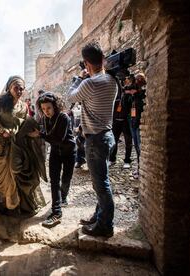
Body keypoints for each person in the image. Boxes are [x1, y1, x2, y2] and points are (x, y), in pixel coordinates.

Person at [65, 42, 117, 237]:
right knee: (101, 181)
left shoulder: (89, 83)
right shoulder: (112, 81)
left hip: (95, 139)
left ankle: (105, 226)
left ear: (86, 63)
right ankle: (99, 216)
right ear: (102, 59)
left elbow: (69, 97)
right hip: (107, 135)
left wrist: (78, 78)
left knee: (101, 184)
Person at [0, 75, 47, 216]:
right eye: (16, 87)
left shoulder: (23, 105)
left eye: (21, 88)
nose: (19, 91)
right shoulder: (0, 103)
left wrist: (32, 133)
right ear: (9, 87)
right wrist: (1, 130)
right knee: (2, 177)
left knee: (16, 174)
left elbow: (25, 123)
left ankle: (16, 207)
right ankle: (1, 207)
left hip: (17, 145)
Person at [32, 92, 76, 227]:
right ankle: (56, 212)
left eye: (49, 108)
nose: (46, 112)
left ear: (55, 106)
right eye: (43, 109)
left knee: (66, 179)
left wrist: (40, 134)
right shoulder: (45, 118)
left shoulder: (63, 117)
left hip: (69, 152)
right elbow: (50, 137)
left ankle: (63, 197)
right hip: (56, 152)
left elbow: (58, 139)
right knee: (54, 181)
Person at [109, 75, 134, 169]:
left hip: (126, 121)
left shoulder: (128, 93)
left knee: (128, 141)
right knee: (114, 141)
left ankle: (127, 160)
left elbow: (131, 104)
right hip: (116, 121)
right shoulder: (114, 93)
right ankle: (112, 159)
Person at [125, 72, 146, 179]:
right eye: (136, 80)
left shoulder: (143, 93)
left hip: (139, 123)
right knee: (137, 146)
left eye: (139, 80)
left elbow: (141, 106)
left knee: (140, 146)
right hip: (132, 121)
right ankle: (139, 168)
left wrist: (136, 94)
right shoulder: (133, 94)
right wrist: (131, 94)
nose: (137, 82)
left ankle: (141, 168)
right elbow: (126, 104)